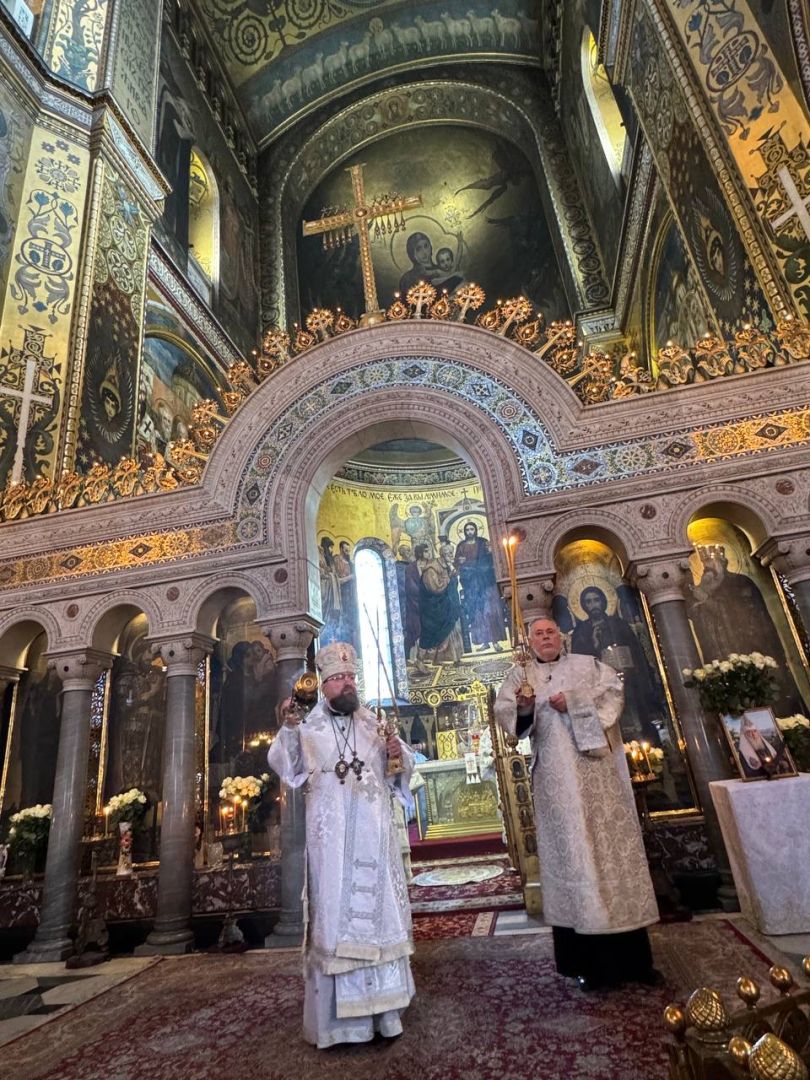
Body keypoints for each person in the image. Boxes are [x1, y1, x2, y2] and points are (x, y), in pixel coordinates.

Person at [494, 617, 659, 991]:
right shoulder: (519, 676)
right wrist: (525, 706)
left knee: (611, 857)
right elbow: (515, 726)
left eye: (551, 632)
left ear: (561, 637)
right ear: (530, 642)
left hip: (599, 781)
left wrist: (574, 702)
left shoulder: (588, 665)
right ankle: (587, 964)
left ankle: (636, 961)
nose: (545, 637)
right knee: (574, 859)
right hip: (558, 790)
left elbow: (613, 695)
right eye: (538, 634)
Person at [266, 642, 415, 1048]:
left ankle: (387, 1015)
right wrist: (289, 728)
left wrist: (398, 754)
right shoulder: (307, 726)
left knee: (379, 920)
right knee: (337, 923)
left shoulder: (373, 723)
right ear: (324, 684)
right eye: (339, 678)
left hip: (374, 838)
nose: (348, 683)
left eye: (351, 677)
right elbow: (287, 766)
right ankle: (342, 1024)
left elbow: (400, 772)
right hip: (332, 847)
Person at [570, 585, 662, 745]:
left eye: (596, 600)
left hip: (628, 681)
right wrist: (593, 643)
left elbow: (636, 652)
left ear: (604, 601)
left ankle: (645, 747)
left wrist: (632, 671)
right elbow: (578, 662)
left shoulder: (619, 624)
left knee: (635, 717)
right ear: (583, 606)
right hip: (600, 686)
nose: (593, 605)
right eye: (588, 602)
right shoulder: (581, 630)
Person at [454, 522, 506, 652]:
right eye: (467, 529)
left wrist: (489, 553)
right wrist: (460, 562)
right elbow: (457, 563)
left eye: (472, 529)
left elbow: (491, 559)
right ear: (464, 532)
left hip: (486, 581)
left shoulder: (483, 542)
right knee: (478, 614)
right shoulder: (461, 546)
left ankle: (495, 642)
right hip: (472, 584)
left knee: (490, 612)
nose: (469, 531)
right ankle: (484, 642)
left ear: (476, 530)